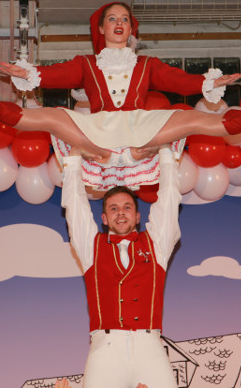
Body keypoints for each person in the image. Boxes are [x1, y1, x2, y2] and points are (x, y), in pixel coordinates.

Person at [0, 2, 241, 188]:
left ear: (131, 30)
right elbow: (55, 75)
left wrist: (213, 81)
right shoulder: (86, 64)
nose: (119, 23)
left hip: (140, 128)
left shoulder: (146, 64)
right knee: (52, 117)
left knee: (194, 119)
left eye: (125, 20)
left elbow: (181, 82)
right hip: (98, 130)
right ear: (101, 28)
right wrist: (30, 72)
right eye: (112, 19)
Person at [61, 145, 181, 388]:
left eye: (127, 207)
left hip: (150, 348)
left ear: (137, 216)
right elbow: (75, 206)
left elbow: (169, 200)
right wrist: (73, 160)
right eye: (113, 209)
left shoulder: (156, 243)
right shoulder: (91, 247)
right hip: (106, 350)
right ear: (104, 219)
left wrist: (165, 155)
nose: (121, 213)